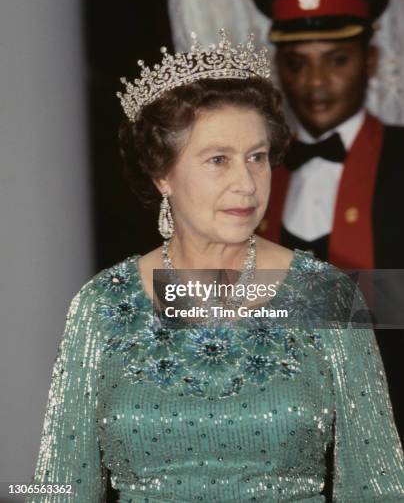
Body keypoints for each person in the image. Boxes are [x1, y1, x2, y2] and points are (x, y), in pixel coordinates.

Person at [27, 30, 404, 502]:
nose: (246, 184)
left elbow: (379, 485)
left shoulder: (325, 294)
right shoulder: (102, 305)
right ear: (162, 173)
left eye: (257, 158)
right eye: (218, 160)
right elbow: (61, 488)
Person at [251, 0, 404, 441]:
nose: (315, 84)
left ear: (371, 61)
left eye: (336, 60)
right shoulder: (252, 168)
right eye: (297, 64)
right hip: (276, 435)